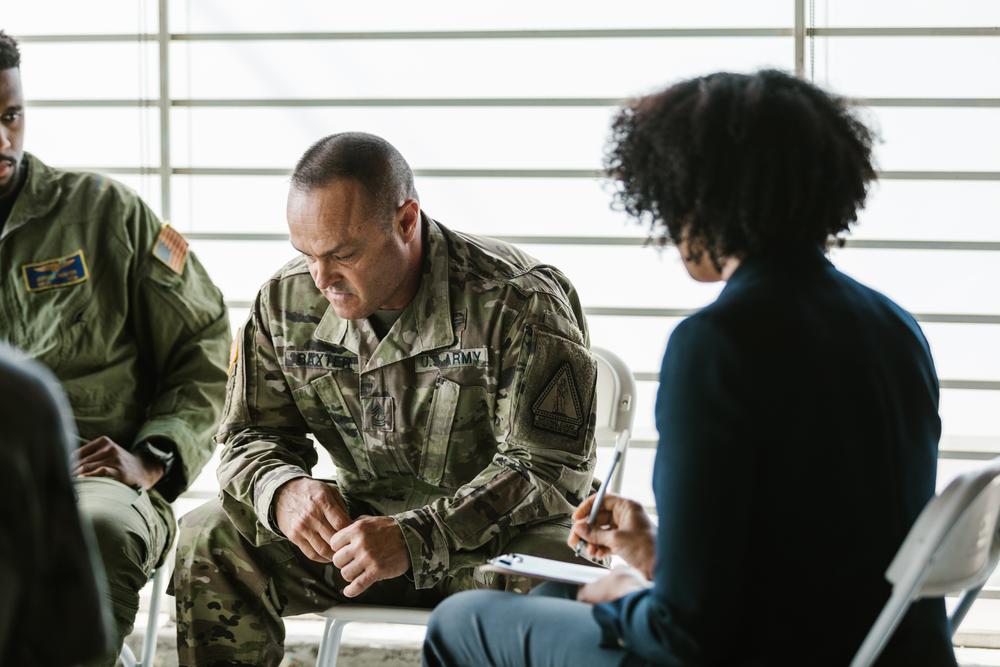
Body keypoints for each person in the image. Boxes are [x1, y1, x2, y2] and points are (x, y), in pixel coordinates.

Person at [423, 70, 959, 666]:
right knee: (555, 590)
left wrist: (627, 597)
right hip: (880, 650)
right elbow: (822, 540)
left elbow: (689, 638)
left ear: (695, 194)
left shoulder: (718, 344)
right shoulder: (894, 326)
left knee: (461, 621)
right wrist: (658, 556)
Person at [172, 132, 600, 666]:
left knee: (554, 572)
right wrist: (282, 491)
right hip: (357, 541)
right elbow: (246, 434)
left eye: (343, 255)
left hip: (494, 544)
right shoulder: (286, 301)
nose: (322, 278)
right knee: (209, 534)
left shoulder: (517, 299)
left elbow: (551, 469)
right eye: (306, 255)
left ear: (405, 221)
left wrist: (418, 536)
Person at [0, 30, 231, 665]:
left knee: (95, 534)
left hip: (91, 479)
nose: (2, 142)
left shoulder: (105, 214)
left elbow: (204, 343)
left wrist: (156, 456)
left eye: (11, 115)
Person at [0, 344, 112, 666]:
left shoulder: (17, 394)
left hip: (100, 463)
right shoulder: (19, 390)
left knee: (108, 528)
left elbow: (194, 369)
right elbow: (69, 633)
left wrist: (159, 454)